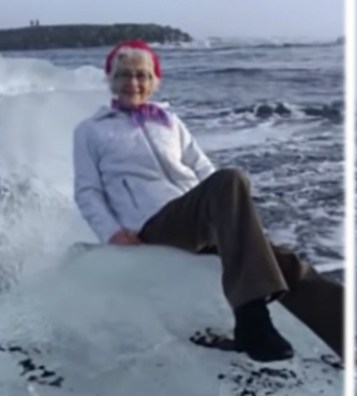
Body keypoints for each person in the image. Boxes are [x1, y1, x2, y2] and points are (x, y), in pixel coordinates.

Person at [72, 40, 342, 362]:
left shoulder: (169, 123)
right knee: (231, 178)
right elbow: (87, 191)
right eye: (124, 75)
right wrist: (112, 233)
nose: (133, 83)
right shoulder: (90, 130)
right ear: (112, 81)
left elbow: (202, 168)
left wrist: (229, 217)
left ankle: (345, 332)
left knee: (282, 262)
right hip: (150, 224)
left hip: (195, 218)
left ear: (153, 81)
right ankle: (250, 316)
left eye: (142, 76)